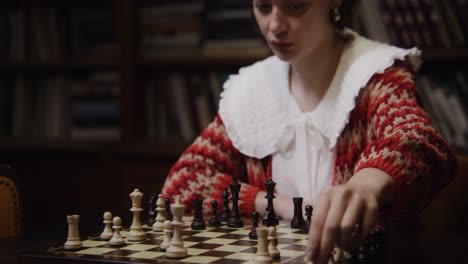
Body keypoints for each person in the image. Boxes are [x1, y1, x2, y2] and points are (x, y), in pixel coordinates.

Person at [161, 0, 457, 263]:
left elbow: (419, 140)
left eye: (296, 6)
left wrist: (367, 184)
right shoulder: (252, 89)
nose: (275, 25)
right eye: (264, 7)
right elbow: (183, 184)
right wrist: (283, 207)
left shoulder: (377, 75)